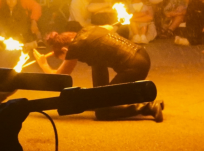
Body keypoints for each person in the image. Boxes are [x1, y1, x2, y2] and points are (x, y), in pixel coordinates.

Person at [32, 24, 164, 122]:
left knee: (103, 112)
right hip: (142, 55)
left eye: (60, 57)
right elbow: (110, 28)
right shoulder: (88, 29)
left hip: (134, 67)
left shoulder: (74, 48)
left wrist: (43, 64)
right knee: (96, 63)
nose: (63, 60)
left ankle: (147, 107)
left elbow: (58, 78)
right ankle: (102, 99)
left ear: (64, 50)